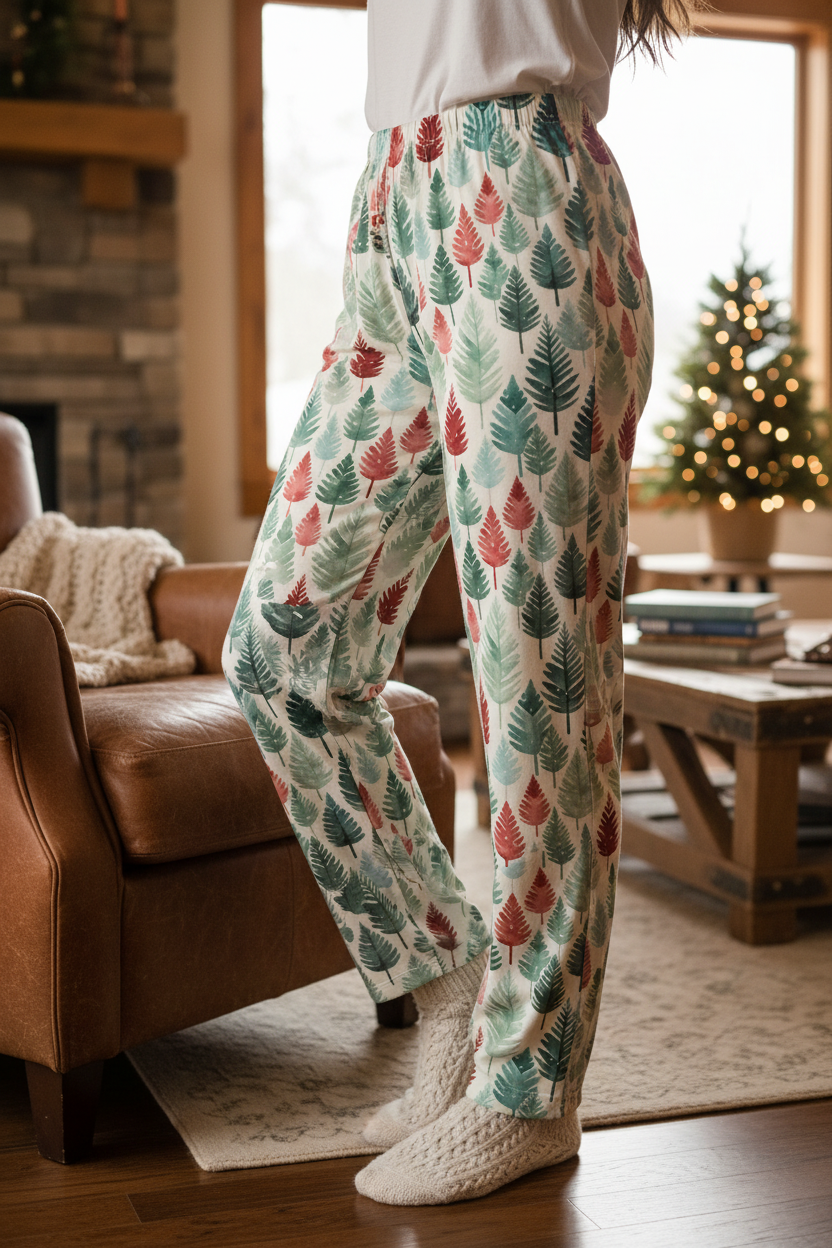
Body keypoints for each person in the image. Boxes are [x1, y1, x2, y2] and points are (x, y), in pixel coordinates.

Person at [223, 0, 699, 1207]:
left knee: (538, 679)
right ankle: (446, 979)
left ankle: (532, 1088)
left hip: (525, 190)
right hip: (391, 202)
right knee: (282, 644)